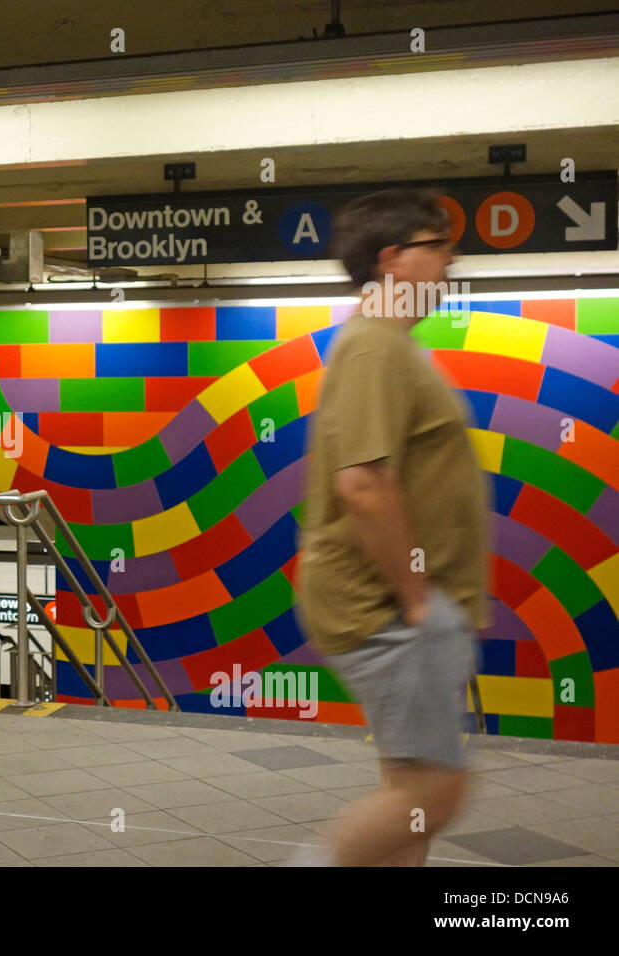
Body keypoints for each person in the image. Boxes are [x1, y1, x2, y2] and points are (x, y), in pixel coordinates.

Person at [293, 189, 489, 866]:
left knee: (410, 796)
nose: (451, 258)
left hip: (402, 604)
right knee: (436, 792)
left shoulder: (390, 345)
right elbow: (365, 485)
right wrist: (415, 599)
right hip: (384, 605)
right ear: (392, 260)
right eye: (438, 246)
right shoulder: (375, 346)